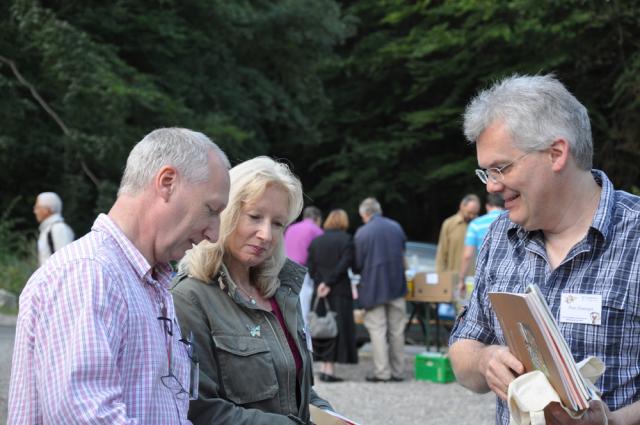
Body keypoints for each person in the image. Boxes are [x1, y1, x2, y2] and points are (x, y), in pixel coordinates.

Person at [448, 74, 640, 425]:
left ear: (556, 154)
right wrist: (485, 360)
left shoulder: (635, 236)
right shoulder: (500, 236)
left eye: (501, 168)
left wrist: (614, 421)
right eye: (486, 172)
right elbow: (463, 348)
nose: (492, 186)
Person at [8, 128, 230, 424]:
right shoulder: (88, 273)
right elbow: (87, 417)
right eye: (211, 210)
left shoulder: (144, 280)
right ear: (167, 182)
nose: (214, 234)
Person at [171, 156, 333, 425]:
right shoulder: (188, 298)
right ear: (226, 212)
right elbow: (199, 410)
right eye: (255, 217)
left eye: (278, 223)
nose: (266, 234)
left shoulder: (282, 294)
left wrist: (332, 418)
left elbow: (295, 390)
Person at [354, 197, 407, 383]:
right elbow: (403, 254)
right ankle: (398, 372)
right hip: (397, 285)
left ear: (365, 214)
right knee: (397, 330)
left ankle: (382, 372)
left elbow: (358, 263)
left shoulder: (362, 232)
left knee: (377, 330)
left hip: (374, 287)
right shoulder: (396, 227)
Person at [307, 209, 358, 382]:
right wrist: (329, 283)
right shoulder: (347, 240)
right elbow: (345, 264)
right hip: (339, 291)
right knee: (336, 329)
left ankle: (323, 367)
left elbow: (310, 267)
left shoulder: (316, 241)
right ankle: (329, 371)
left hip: (320, 291)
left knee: (321, 328)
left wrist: (321, 283)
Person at [457, 192, 505, 296]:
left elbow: (467, 256)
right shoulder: (515, 221)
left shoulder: (476, 224)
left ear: (487, 206)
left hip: (484, 278)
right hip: (510, 277)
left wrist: (462, 279)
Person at [284, 206, 324, 323]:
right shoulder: (316, 230)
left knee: (290, 302)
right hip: (303, 270)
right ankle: (304, 330)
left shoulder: (291, 228)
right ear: (317, 218)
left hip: (286, 268)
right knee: (305, 302)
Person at [435, 194, 481, 273]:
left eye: (475, 213)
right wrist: (440, 274)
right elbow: (442, 252)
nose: (472, 216)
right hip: (452, 275)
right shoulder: (449, 224)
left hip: (474, 277)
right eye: (469, 212)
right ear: (462, 206)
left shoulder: (480, 225)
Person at [33, 191, 75, 265]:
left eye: (37, 207)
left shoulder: (58, 229)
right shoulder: (49, 229)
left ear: (47, 210)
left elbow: (65, 261)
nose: (35, 211)